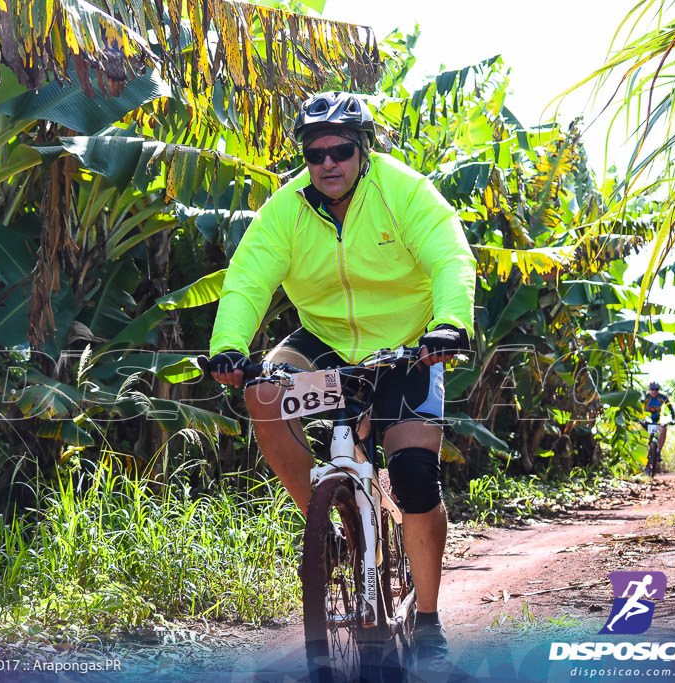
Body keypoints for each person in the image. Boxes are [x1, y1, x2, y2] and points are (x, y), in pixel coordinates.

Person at [207, 91, 476, 675]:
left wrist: (450, 323)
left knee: (412, 478)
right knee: (262, 392)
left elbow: (450, 257)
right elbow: (248, 279)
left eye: (341, 150)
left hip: (407, 345)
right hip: (325, 338)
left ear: (363, 149)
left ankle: (428, 621)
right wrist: (228, 348)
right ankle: (324, 527)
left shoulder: (403, 192)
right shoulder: (286, 209)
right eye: (315, 153)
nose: (327, 163)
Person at [644, 382, 675, 451]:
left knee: (663, 429)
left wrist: (673, 419)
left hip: (656, 421)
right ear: (649, 390)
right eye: (652, 389)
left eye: (656, 389)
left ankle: (658, 451)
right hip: (645, 421)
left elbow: (671, 408)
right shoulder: (645, 397)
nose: (654, 391)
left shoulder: (662, 397)